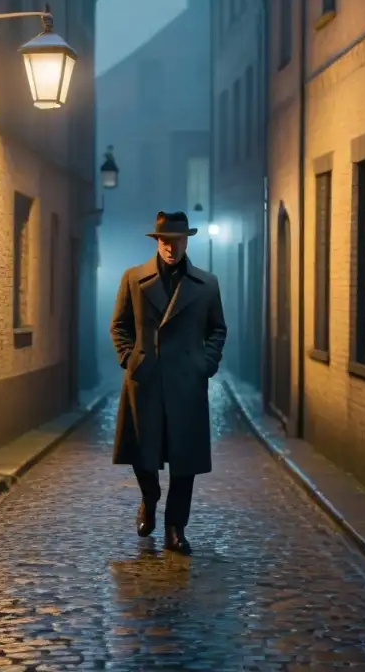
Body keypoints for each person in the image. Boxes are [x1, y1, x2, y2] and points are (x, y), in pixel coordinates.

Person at [110, 211, 227, 555]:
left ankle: (176, 527)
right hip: (145, 379)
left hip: (186, 383)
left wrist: (204, 364)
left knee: (183, 459)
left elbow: (217, 329)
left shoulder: (206, 284)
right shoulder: (133, 278)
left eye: (176, 241)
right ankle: (149, 497)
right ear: (156, 242)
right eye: (165, 241)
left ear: (186, 241)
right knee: (142, 454)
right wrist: (130, 358)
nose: (171, 248)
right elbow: (119, 325)